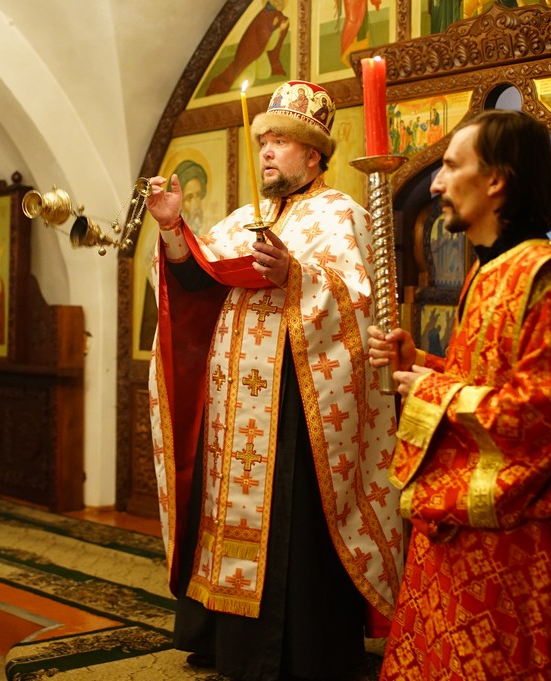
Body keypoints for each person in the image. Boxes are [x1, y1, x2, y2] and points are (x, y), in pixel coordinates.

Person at [146, 80, 401, 681]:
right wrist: (174, 228)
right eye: (264, 140)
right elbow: (197, 281)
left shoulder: (343, 214)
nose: (266, 151)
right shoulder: (242, 220)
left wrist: (297, 276)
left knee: (290, 518)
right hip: (232, 409)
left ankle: (297, 651)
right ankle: (223, 639)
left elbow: (360, 304)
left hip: (295, 407)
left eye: (280, 142)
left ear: (312, 155)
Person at [367, 110, 551, 680]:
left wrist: (431, 388)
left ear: (496, 181)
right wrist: (422, 362)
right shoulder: (487, 271)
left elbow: (542, 415)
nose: (437, 184)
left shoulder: (543, 277)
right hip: (455, 522)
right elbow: (481, 376)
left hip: (506, 539)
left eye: (450, 166)